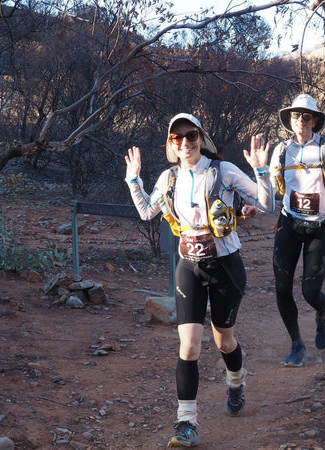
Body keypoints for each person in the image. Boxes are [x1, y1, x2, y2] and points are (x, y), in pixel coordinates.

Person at [125, 113, 274, 447]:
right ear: (171, 145)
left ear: (202, 138)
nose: (185, 143)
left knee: (223, 342)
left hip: (225, 265)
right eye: (177, 138)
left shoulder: (223, 171)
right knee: (189, 345)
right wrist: (134, 180)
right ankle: (186, 424)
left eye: (190, 135)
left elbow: (267, 203)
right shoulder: (169, 178)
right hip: (188, 266)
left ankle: (236, 381)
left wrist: (261, 173)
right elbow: (148, 211)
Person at [268, 94, 325, 366]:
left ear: (314, 121)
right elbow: (270, 188)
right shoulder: (281, 151)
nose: (300, 121)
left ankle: (322, 313)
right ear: (289, 120)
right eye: (296, 116)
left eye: (306, 116)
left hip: (320, 226)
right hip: (289, 222)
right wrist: (258, 172)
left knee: (310, 292)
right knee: (282, 287)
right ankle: (296, 344)